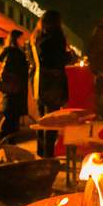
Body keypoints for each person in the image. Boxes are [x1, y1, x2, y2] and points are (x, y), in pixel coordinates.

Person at [31, 10, 69, 157]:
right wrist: (69, 56)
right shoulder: (56, 37)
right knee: (51, 120)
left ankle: (41, 153)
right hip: (53, 81)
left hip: (38, 81)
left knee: (41, 121)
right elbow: (57, 59)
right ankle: (48, 156)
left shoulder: (37, 37)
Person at [0, 29, 28, 142]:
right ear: (17, 39)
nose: (24, 41)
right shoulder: (16, 53)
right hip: (15, 89)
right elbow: (19, 71)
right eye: (22, 38)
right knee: (11, 117)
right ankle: (5, 143)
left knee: (9, 115)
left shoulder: (9, 51)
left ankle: (4, 142)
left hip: (10, 89)